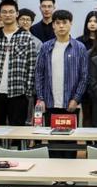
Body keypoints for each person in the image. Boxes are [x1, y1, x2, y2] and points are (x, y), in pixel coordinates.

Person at [35, 9, 88, 158]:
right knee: (53, 142)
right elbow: (39, 74)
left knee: (70, 143)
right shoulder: (46, 47)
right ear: (53, 25)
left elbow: (84, 76)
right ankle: (54, 171)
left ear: (71, 24)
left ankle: (69, 172)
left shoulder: (79, 47)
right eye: (57, 23)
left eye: (64, 22)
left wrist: (76, 98)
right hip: (50, 103)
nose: (61, 26)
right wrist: (41, 98)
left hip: (71, 103)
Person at [0, 0, 37, 126]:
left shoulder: (26, 37)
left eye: (11, 12)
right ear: (0, 14)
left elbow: (31, 64)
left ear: (17, 14)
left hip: (18, 93)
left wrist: (28, 91)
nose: (7, 15)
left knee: (17, 130)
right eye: (4, 12)